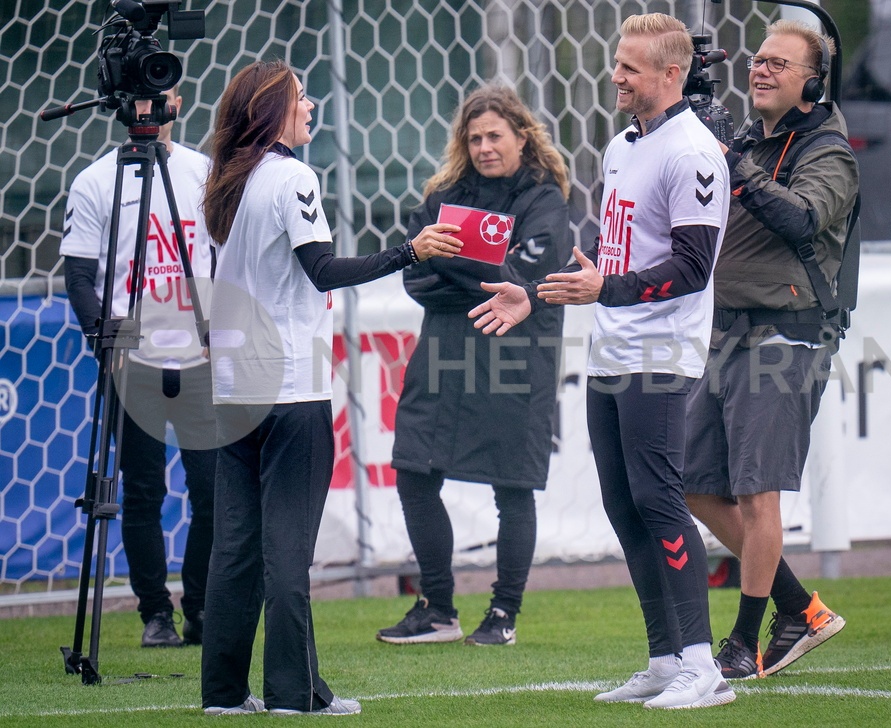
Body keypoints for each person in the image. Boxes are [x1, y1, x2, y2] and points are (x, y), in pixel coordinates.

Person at [470, 14, 735, 710]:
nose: (615, 75)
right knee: (623, 504)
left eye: (630, 67)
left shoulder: (694, 152)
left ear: (671, 74)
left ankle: (703, 668)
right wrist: (535, 293)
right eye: (617, 63)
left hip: (662, 350)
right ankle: (664, 657)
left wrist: (606, 290)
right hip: (612, 345)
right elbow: (608, 250)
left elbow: (693, 266)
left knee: (658, 499)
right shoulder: (623, 146)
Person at [199, 60, 459, 716]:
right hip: (288, 388)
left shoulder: (234, 181)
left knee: (236, 549)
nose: (311, 107)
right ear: (272, 111)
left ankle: (224, 695)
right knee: (287, 552)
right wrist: (409, 251)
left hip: (234, 387)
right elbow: (321, 270)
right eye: (300, 98)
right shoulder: (290, 175)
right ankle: (296, 695)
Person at [681, 19, 859, 680]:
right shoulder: (753, 139)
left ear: (812, 83)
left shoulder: (830, 152)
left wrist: (730, 152)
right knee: (694, 482)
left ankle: (741, 640)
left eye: (778, 64)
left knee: (758, 493)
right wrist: (685, 100)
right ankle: (800, 610)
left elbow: (801, 217)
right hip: (731, 329)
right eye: (756, 60)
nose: (760, 70)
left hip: (789, 331)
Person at [376, 84, 572, 647]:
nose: (484, 146)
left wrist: (452, 260)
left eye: (495, 136)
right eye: (474, 136)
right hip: (443, 353)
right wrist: (478, 268)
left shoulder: (543, 199)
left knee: (512, 488)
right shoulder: (445, 193)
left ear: (521, 137)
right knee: (414, 471)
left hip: (514, 359)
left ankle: (503, 614)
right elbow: (413, 273)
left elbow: (519, 282)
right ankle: (437, 609)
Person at [61, 87, 214, 648]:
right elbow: (78, 277)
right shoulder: (96, 180)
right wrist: (109, 339)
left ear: (178, 96)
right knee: (143, 493)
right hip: (133, 361)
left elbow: (228, 256)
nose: (153, 103)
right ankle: (156, 615)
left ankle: (201, 607)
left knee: (215, 493)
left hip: (200, 359)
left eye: (162, 90)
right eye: (142, 94)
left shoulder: (206, 172)